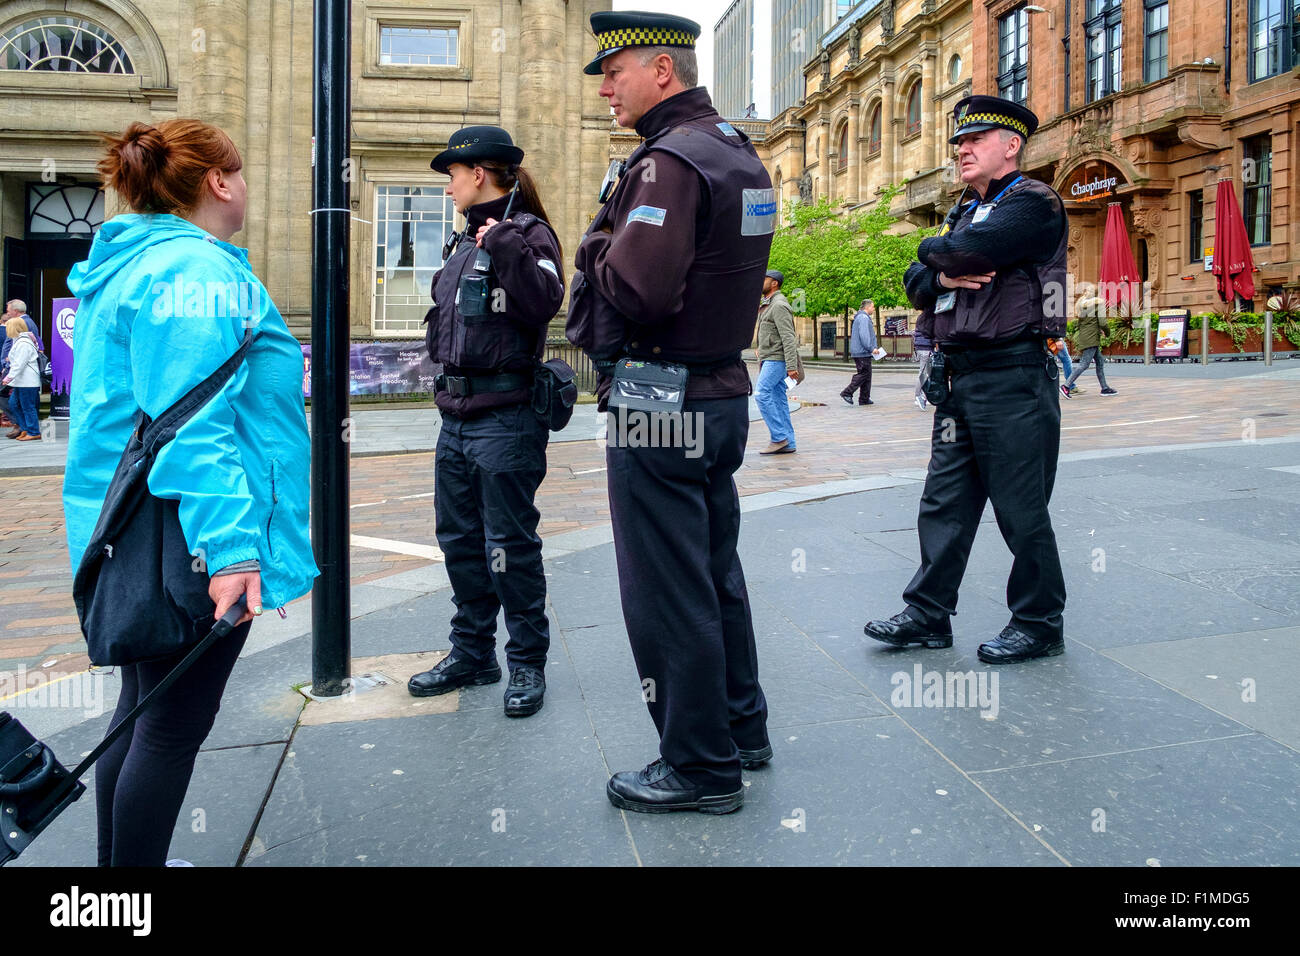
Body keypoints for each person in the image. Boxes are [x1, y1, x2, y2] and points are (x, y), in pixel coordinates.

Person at [62, 118, 317, 866]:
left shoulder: (135, 265)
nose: (245, 189)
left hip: (140, 530)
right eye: (240, 174)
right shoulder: (196, 273)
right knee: (172, 726)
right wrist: (235, 550)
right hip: (190, 539)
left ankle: (122, 872)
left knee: (141, 714)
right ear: (218, 182)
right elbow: (195, 428)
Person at [567, 11, 773, 813]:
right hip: (719, 391)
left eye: (613, 72)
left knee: (667, 588)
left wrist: (593, 245)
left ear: (662, 69)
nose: (606, 88)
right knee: (715, 570)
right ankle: (740, 728)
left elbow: (639, 288)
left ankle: (697, 764)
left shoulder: (667, 160)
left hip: (660, 396)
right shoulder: (734, 148)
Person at [864, 94, 1068, 665]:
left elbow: (964, 251)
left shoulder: (1033, 202)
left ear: (1011, 146)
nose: (962, 149)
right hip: (959, 380)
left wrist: (935, 254)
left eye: (975, 140)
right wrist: (943, 269)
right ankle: (928, 613)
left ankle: (1039, 621)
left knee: (1020, 509)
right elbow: (917, 282)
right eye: (959, 141)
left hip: (1014, 376)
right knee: (944, 502)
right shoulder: (963, 207)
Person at [405, 126, 564, 718]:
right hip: (457, 418)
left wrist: (503, 247)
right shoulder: (462, 242)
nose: (448, 187)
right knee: (461, 542)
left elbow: (543, 303)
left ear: (479, 173)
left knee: (510, 545)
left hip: (507, 418)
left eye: (452, 175)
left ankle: (526, 661)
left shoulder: (527, 234)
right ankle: (472, 653)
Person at [755, 268, 801, 453]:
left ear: (774, 283)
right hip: (771, 357)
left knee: (761, 394)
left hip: (777, 359)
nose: (761, 281)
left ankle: (779, 437)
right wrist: (761, 347)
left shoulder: (779, 305)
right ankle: (789, 442)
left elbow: (789, 337)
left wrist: (791, 366)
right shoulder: (769, 304)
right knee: (779, 399)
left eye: (764, 278)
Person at [1063, 296, 1116, 396]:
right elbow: (1103, 323)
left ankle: (1104, 388)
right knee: (1084, 364)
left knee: (1099, 361)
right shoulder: (1098, 306)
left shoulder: (1083, 307)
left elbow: (1082, 324)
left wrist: (1095, 329)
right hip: (1091, 339)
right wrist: (1107, 333)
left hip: (1086, 337)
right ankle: (1066, 386)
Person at [2, 317, 42, 440]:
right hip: (22, 381)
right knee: (14, 404)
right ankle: (26, 429)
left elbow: (20, 364)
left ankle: (33, 432)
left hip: (27, 382)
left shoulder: (23, 343)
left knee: (27, 406)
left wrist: (8, 378)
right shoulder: (21, 341)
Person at [841, 298, 877, 406]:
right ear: (867, 307)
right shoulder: (863, 318)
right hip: (862, 351)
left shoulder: (861, 317)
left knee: (867, 375)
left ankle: (864, 398)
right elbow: (864, 335)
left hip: (862, 352)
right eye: (873, 306)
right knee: (863, 374)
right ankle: (847, 392)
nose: (874, 309)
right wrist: (871, 348)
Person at [912, 324, 933, 409]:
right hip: (926, 348)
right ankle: (918, 396)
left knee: (924, 372)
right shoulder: (930, 321)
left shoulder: (921, 319)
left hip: (920, 348)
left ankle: (922, 396)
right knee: (924, 373)